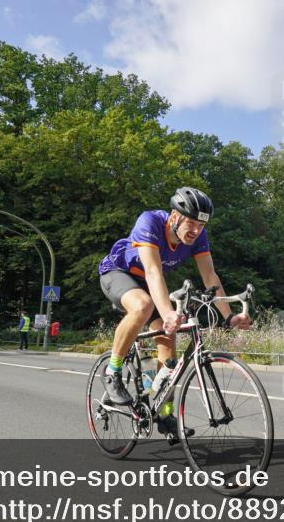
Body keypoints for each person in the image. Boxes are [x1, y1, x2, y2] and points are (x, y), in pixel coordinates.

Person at [98, 187, 251, 442]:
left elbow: (210, 277)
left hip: (149, 282)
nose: (196, 230)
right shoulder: (150, 221)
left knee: (168, 340)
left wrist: (229, 317)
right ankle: (112, 372)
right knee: (143, 305)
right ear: (174, 216)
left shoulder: (198, 237)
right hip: (118, 273)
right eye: (191, 223)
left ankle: (165, 414)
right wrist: (168, 313)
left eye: (201, 225)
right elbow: (153, 272)